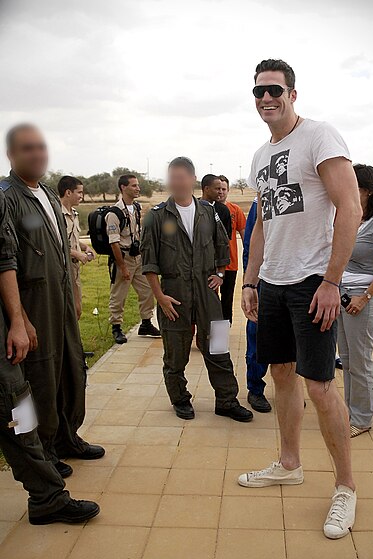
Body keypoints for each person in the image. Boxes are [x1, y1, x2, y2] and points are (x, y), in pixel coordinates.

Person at [240, 59, 362, 540]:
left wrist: (333, 281)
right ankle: (289, 463)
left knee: (319, 386)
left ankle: (346, 488)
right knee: (282, 376)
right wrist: (250, 282)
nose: (266, 98)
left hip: (314, 281)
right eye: (258, 91)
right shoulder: (258, 156)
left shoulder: (319, 137)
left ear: (292, 93)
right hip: (272, 282)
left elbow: (350, 206)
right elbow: (263, 226)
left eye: (275, 89)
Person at [1, 123, 105, 479]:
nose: (37, 154)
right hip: (34, 305)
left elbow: (62, 251)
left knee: (71, 370)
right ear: (11, 154)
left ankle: (67, 437)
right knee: (41, 378)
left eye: (41, 147)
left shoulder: (45, 193)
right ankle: (43, 451)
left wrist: (74, 293)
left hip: (61, 301)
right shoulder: (7, 196)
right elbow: (6, 261)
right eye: (27, 148)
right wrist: (19, 318)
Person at [0, 188, 100, 525]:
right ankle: (47, 490)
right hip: (26, 311)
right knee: (19, 408)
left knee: (20, 408)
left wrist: (17, 317)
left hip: (28, 314)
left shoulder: (32, 197)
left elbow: (5, 260)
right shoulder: (10, 197)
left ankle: (47, 490)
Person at [140, 156, 253, 422]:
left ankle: (226, 400)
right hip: (173, 294)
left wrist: (221, 274)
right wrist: (159, 296)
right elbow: (148, 261)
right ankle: (180, 399)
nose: (178, 182)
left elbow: (222, 244)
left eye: (183, 177)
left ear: (192, 179)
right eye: (173, 177)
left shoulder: (207, 211)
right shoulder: (156, 216)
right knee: (176, 353)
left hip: (207, 292)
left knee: (218, 347)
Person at [338, 164, 373, 437]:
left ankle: (361, 419)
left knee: (361, 361)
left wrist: (365, 297)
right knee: (347, 360)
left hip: (364, 299)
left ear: (369, 191)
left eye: (355, 186)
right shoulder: (348, 216)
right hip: (342, 297)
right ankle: (350, 411)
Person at [106, 174, 160, 344]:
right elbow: (114, 243)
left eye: (138, 185)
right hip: (123, 257)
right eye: (134, 185)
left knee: (147, 290)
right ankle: (116, 327)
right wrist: (122, 266)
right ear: (123, 187)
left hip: (137, 257)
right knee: (119, 294)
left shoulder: (136, 207)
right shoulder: (114, 213)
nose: (138, 188)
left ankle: (146, 323)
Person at [242, 196, 271, 412]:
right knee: (257, 335)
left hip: (296, 282)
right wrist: (250, 284)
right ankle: (255, 389)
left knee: (291, 342)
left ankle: (289, 388)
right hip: (264, 281)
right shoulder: (259, 201)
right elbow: (250, 245)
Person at [58, 175, 96, 320]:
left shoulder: (74, 214)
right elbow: (56, 244)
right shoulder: (57, 215)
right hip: (63, 269)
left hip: (75, 270)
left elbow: (71, 239)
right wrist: (78, 255)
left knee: (77, 310)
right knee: (69, 311)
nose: (82, 196)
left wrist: (84, 247)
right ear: (68, 192)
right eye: (79, 192)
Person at [218, 175, 246, 323]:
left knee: (227, 298)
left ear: (228, 190)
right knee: (210, 298)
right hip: (211, 264)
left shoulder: (235, 210)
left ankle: (224, 327)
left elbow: (244, 235)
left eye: (224, 189)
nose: (221, 192)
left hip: (230, 263)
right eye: (218, 188)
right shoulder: (205, 209)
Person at [200, 174, 232, 238]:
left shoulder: (223, 210)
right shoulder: (193, 207)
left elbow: (226, 238)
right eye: (217, 189)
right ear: (207, 189)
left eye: (223, 189)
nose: (220, 192)